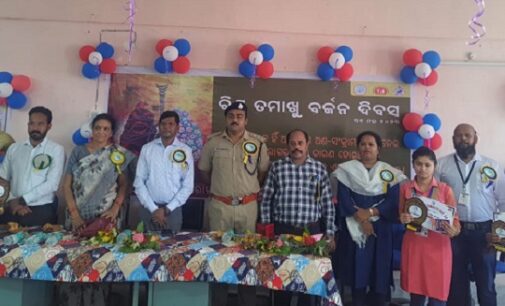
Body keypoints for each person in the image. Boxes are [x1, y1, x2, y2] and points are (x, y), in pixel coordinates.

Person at [198, 101, 270, 306]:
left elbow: (262, 172)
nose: (235, 119)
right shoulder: (213, 142)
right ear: (226, 119)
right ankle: (218, 301)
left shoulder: (258, 143)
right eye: (231, 115)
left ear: (246, 120)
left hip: (248, 208)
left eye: (239, 115)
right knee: (219, 257)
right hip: (220, 207)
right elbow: (204, 171)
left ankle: (247, 301)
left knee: (247, 257)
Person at [260, 129, 336, 306]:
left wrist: (330, 233)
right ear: (288, 145)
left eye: (300, 143)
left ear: (308, 143)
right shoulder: (277, 167)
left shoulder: (319, 169)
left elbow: (327, 204)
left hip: (312, 234)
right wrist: (266, 230)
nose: (297, 147)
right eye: (293, 143)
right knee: (281, 281)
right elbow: (265, 200)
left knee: (308, 284)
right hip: (283, 233)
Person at [331, 131, 406, 306]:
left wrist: (371, 213)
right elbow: (343, 198)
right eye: (363, 144)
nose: (366, 148)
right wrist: (363, 220)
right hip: (355, 228)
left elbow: (393, 201)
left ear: (378, 149)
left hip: (381, 229)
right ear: (358, 148)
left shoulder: (390, 173)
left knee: (379, 274)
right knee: (358, 274)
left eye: (371, 144)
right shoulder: (346, 171)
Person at [436, 123, 505, 306]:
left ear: (476, 138)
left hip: (485, 233)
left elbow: (503, 201)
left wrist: (499, 232)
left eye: (467, 135)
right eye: (459, 136)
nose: (463, 139)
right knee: (456, 284)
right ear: (453, 140)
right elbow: (434, 199)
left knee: (486, 285)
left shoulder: (492, 166)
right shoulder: (442, 165)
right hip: (454, 232)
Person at [399, 146, 460, 306]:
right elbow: (400, 215)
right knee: (416, 297)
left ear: (435, 166)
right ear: (413, 165)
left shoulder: (445, 190)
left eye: (427, 165)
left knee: (438, 297)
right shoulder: (406, 188)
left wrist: (454, 230)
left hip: (438, 248)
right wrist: (403, 218)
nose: (423, 169)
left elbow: (456, 221)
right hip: (415, 245)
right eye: (419, 164)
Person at [63, 113, 135, 232]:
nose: (101, 131)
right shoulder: (78, 151)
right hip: (77, 215)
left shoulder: (117, 153)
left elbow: (124, 184)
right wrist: (74, 214)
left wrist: (115, 208)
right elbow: (66, 185)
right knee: (74, 249)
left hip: (106, 216)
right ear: (92, 129)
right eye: (97, 128)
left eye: (106, 129)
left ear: (111, 133)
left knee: (104, 250)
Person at [0, 106, 64, 226]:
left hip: (41, 209)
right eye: (32, 123)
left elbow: (52, 184)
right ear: (28, 124)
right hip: (12, 206)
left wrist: (22, 200)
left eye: (40, 124)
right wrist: (11, 201)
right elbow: (3, 179)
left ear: (49, 126)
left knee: (39, 243)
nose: (35, 128)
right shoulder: (14, 148)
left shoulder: (56, 150)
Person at [134, 110, 194, 233]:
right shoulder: (147, 149)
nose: (166, 127)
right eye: (163, 124)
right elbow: (139, 182)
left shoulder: (185, 151)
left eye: (171, 124)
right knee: (144, 249)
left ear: (177, 127)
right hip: (149, 209)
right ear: (159, 126)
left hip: (173, 211)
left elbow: (188, 186)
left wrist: (166, 209)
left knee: (171, 249)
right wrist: (153, 209)